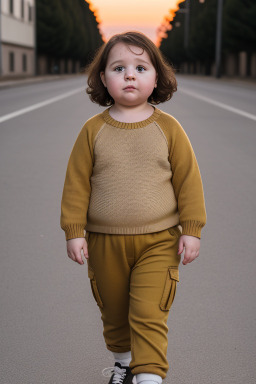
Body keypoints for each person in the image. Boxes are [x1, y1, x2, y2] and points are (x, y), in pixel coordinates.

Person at [60, 31, 206, 384]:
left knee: (148, 312)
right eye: (118, 67)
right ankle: (123, 363)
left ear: (157, 78)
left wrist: (192, 230)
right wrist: (74, 232)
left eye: (141, 67)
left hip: (160, 241)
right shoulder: (92, 131)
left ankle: (150, 376)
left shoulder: (169, 129)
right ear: (102, 79)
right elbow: (77, 184)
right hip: (103, 241)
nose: (129, 74)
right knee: (114, 312)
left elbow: (188, 181)